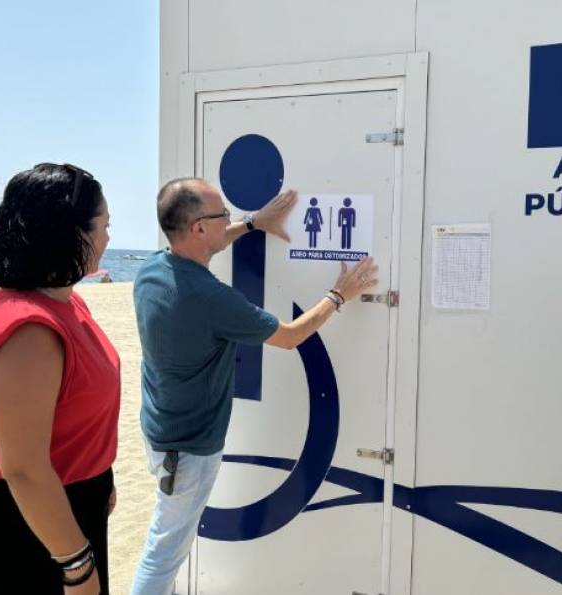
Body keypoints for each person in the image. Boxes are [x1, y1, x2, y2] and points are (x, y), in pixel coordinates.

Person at [130, 178, 378, 595]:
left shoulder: (152, 269)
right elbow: (290, 335)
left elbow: (212, 239)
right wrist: (339, 295)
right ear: (197, 227)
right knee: (165, 549)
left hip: (159, 432)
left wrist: (252, 223)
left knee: (168, 534)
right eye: (221, 214)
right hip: (189, 449)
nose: (227, 219)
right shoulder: (210, 298)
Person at [0, 163, 120, 594]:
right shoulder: (29, 330)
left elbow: (77, 412)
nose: (108, 238)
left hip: (72, 502)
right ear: (73, 234)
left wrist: (104, 479)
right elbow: (23, 468)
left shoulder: (67, 301)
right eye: (104, 226)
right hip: (34, 522)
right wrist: (77, 565)